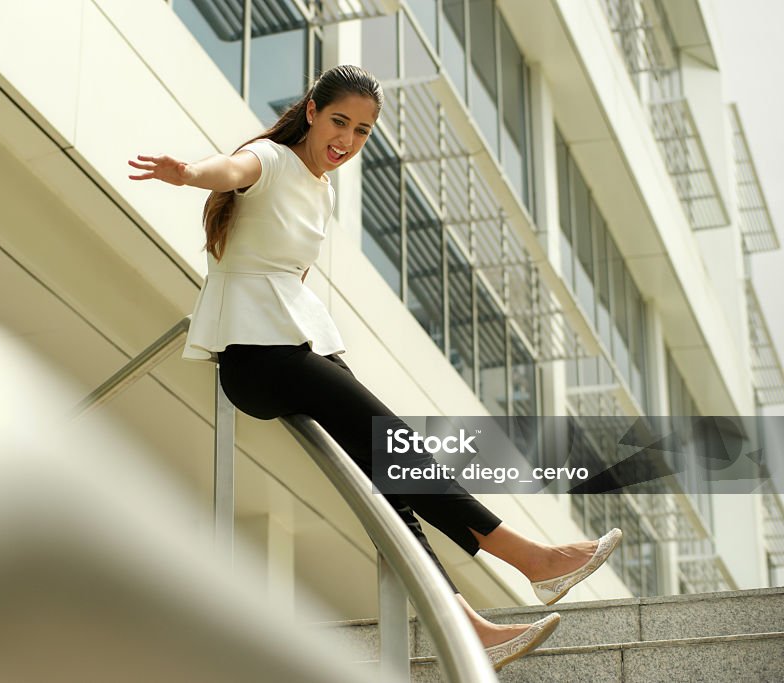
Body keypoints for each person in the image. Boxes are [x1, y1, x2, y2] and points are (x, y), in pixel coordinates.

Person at [129, 64, 621, 671]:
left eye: (362, 131)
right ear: (311, 111)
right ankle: (529, 559)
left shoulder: (324, 190)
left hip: (296, 345)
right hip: (255, 357)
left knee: (389, 479)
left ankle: (466, 626)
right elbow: (229, 170)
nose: (347, 140)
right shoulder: (270, 159)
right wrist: (186, 174)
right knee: (397, 445)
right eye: (340, 121)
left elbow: (292, 278)